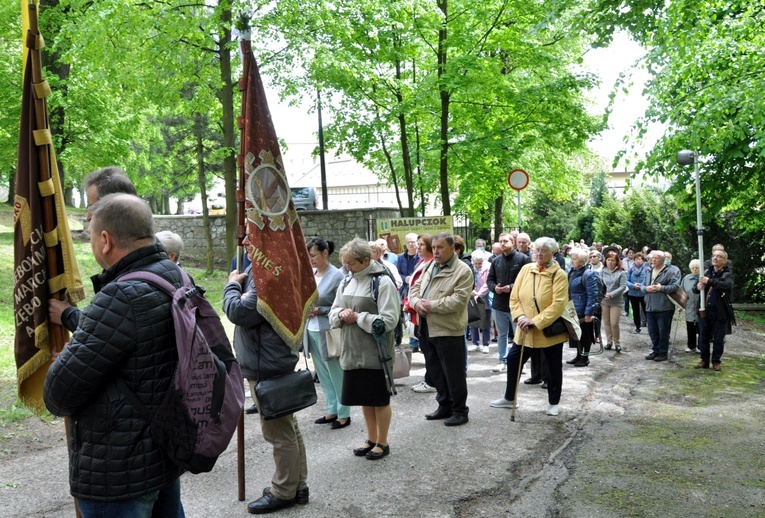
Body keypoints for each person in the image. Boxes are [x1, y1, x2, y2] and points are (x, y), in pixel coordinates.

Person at [44, 193, 185, 517]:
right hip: (164, 454)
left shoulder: (120, 295)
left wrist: (67, 359)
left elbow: (58, 395)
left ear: (105, 240)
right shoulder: (173, 275)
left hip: (119, 473)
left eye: (91, 236)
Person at [223, 234, 309, 513]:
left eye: (253, 237)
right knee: (288, 426)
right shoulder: (268, 268)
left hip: (266, 363)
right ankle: (297, 485)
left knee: (278, 431)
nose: (247, 241)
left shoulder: (268, 274)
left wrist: (231, 287)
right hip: (271, 359)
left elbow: (239, 312)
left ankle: (284, 490)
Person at [329, 238, 400, 459]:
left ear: (367, 260)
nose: (347, 267)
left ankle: (383, 442)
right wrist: (341, 314)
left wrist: (358, 317)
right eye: (345, 262)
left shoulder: (383, 283)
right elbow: (334, 311)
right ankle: (371, 438)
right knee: (365, 398)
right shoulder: (346, 281)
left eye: (351, 263)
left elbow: (389, 320)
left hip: (375, 352)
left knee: (379, 399)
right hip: (352, 350)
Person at [48, 166, 137, 332]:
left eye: (92, 206)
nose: (88, 215)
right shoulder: (160, 265)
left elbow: (108, 334)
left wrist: (68, 315)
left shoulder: (124, 289)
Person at [490, 237, 569, 416]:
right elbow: (514, 297)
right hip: (524, 329)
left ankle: (553, 402)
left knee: (553, 367)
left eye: (544, 251)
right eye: (537, 250)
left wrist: (536, 321)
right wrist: (520, 317)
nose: (539, 254)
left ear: (553, 253)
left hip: (548, 332)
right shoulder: (526, 269)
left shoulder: (559, 275)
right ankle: (510, 398)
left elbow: (558, 304)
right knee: (513, 360)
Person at [408, 232, 474, 427]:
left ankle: (460, 410)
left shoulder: (463, 270)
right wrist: (416, 302)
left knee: (454, 372)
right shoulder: (429, 265)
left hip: (448, 329)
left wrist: (431, 305)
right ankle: (444, 405)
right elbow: (415, 287)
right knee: (436, 369)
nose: (435, 251)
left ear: (452, 248)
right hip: (426, 326)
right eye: (434, 248)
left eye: (440, 247)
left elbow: (459, 301)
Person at [304, 238, 349, 428]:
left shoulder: (337, 276)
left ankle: (344, 413)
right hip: (311, 329)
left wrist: (319, 310)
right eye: (308, 255)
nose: (310, 259)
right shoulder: (311, 274)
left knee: (335, 373)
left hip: (328, 331)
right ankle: (332, 409)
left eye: (313, 255)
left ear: (325, 253)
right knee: (322, 374)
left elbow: (341, 305)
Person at [487, 233, 530, 373]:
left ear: (513, 242)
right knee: (501, 334)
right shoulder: (495, 261)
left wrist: (511, 287)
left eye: (505, 241)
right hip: (499, 304)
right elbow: (490, 280)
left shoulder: (523, 259)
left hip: (517, 305)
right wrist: (495, 288)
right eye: (500, 242)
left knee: (519, 335)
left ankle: (520, 362)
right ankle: (502, 360)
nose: (502, 244)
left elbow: (527, 280)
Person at [694, 250, 735, 371]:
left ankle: (716, 361)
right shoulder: (706, 271)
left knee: (718, 338)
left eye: (719, 256)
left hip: (720, 311)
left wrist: (709, 282)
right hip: (704, 310)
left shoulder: (727, 274)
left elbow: (726, 285)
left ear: (725, 260)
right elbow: (695, 289)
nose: (715, 258)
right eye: (714, 256)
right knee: (703, 337)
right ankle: (704, 360)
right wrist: (698, 286)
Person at [408, 234, 437, 393]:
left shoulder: (432, 264)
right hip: (415, 310)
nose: (418, 247)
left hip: (423, 312)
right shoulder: (421, 262)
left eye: (421, 245)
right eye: (417, 244)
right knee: (425, 348)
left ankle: (431, 381)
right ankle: (429, 379)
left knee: (429, 350)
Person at [640, 250, 681, 362]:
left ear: (663, 260)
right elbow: (642, 285)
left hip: (664, 307)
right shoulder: (649, 271)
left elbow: (675, 286)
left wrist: (660, 288)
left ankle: (663, 353)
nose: (653, 259)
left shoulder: (671, 271)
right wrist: (646, 289)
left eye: (656, 258)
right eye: (652, 257)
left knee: (663, 331)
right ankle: (656, 350)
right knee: (652, 330)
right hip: (650, 306)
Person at [566, 248, 600, 367]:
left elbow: (593, 295)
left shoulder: (588, 274)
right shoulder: (572, 271)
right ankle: (578, 355)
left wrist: (588, 313)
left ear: (582, 261)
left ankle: (585, 358)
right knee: (576, 334)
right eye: (572, 258)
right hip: (573, 308)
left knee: (585, 334)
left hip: (583, 309)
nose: (572, 261)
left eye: (574, 259)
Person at [600, 248, 627, 352]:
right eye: (608, 260)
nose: (610, 262)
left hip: (616, 301)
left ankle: (617, 342)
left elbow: (623, 287)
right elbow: (599, 285)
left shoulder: (621, 273)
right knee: (606, 322)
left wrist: (611, 294)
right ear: (605, 261)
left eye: (612, 260)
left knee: (614, 322)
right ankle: (609, 342)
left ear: (616, 262)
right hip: (604, 301)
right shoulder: (602, 272)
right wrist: (603, 294)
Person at [470, 249, 492, 353]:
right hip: (472, 296)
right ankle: (475, 343)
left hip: (484, 297)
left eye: (480, 263)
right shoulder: (470, 267)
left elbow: (488, 283)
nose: (478, 265)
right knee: (473, 320)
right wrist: (472, 291)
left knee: (485, 322)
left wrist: (479, 294)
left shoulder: (489, 267)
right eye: (476, 263)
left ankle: (486, 343)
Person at [682, 259, 702, 354]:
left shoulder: (703, 278)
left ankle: (701, 346)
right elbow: (682, 292)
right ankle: (691, 346)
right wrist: (681, 305)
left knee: (702, 327)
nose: (695, 270)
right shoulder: (686, 278)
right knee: (690, 327)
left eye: (697, 268)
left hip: (701, 307)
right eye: (693, 268)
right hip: (689, 306)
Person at [627, 252, 648, 333]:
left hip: (643, 293)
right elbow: (626, 281)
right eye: (636, 259)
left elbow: (648, 281)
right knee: (635, 310)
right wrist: (633, 285)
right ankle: (637, 326)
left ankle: (649, 325)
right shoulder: (631, 269)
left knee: (646, 309)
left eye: (640, 259)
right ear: (634, 260)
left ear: (643, 260)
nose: (638, 261)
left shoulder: (647, 269)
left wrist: (642, 286)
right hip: (633, 293)